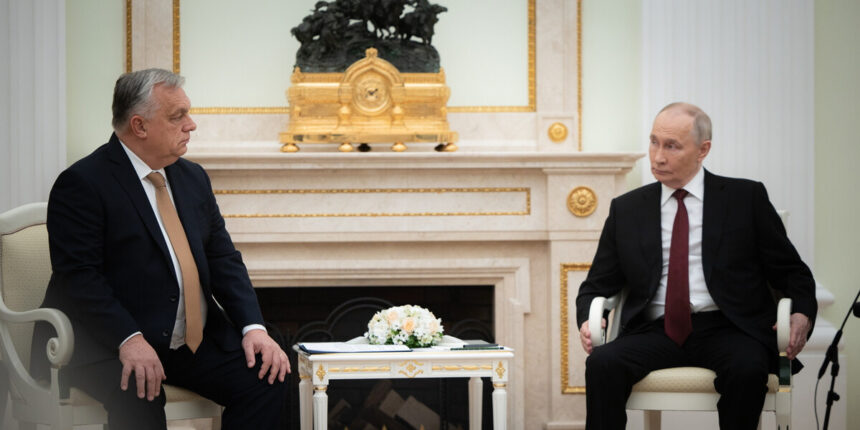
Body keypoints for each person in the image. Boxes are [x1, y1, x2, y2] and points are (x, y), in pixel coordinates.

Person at [31, 68, 289, 429]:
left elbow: (223, 259)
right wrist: (129, 339)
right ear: (139, 126)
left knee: (269, 377)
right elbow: (79, 277)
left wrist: (253, 328)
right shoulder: (83, 183)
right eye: (177, 116)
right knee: (140, 389)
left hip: (186, 342)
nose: (191, 125)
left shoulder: (193, 178)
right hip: (106, 342)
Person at [575, 102, 817, 429]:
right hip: (656, 329)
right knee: (603, 364)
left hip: (729, 327)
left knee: (747, 369)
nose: (658, 156)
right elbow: (596, 284)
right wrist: (588, 320)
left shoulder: (745, 198)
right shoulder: (627, 209)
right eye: (654, 142)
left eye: (672, 146)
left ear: (703, 150)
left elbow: (791, 271)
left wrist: (801, 313)